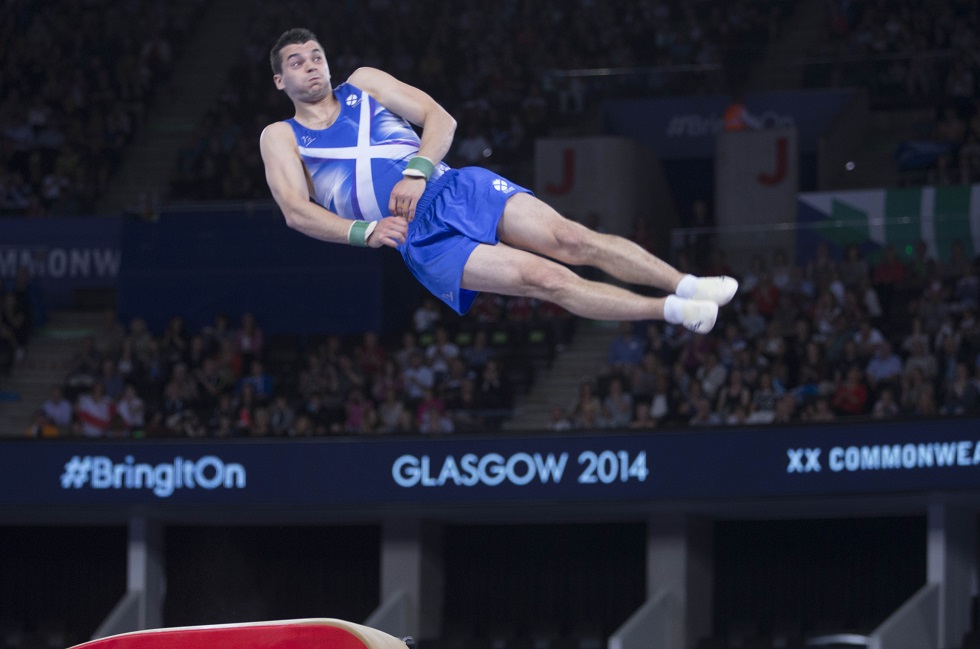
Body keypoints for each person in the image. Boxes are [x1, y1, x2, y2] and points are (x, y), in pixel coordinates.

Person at [259, 28, 737, 334]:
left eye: (316, 55)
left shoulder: (363, 83)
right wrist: (363, 232)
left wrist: (416, 171)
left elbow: (438, 119)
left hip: (453, 188)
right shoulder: (281, 136)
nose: (311, 65)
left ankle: (688, 284)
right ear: (281, 81)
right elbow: (295, 211)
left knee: (571, 239)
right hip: (421, 238)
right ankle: (671, 311)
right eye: (297, 62)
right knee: (546, 279)